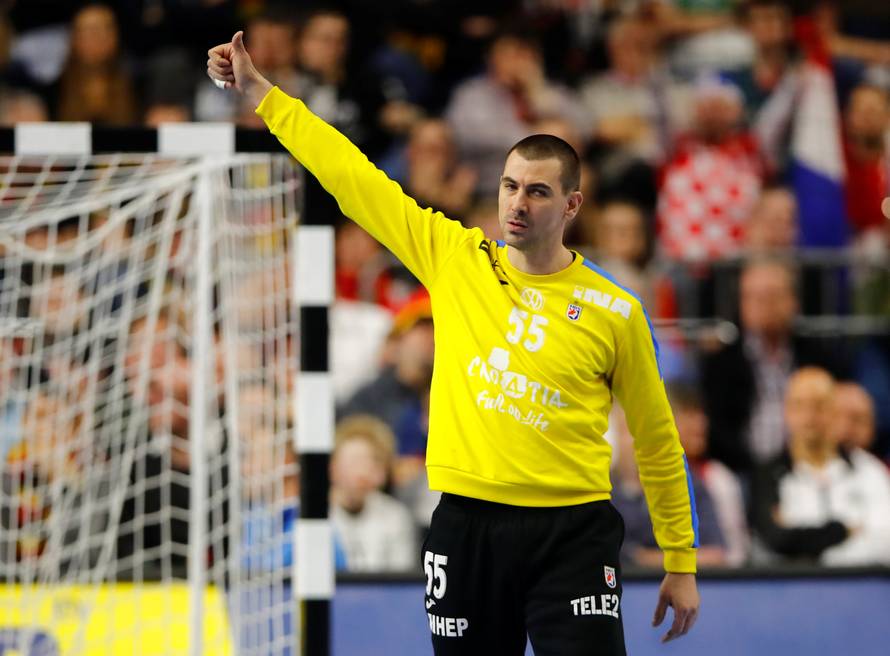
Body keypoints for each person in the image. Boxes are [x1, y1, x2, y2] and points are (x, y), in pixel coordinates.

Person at [208, 31, 700, 653]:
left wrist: (680, 560)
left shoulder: (616, 310)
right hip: (466, 525)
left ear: (573, 204)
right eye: (509, 186)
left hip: (573, 533)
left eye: (538, 191)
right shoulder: (455, 257)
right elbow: (352, 176)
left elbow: (658, 442)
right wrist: (262, 95)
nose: (517, 204)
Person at [750, 367, 890, 566]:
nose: (809, 416)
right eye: (799, 406)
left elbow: (885, 541)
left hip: (860, 588)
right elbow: (776, 539)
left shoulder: (869, 471)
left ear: (835, 411)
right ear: (786, 412)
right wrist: (845, 531)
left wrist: (823, 559)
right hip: (788, 591)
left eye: (819, 405)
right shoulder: (768, 475)